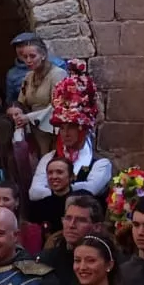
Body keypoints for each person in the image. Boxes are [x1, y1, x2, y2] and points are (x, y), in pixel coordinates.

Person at [27, 59, 111, 202]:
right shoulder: (48, 159)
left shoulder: (100, 163)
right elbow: (34, 192)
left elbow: (90, 189)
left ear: (83, 130)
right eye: (62, 127)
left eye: (72, 127)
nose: (65, 133)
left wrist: (56, 189)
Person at [10, 35, 67, 156]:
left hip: (50, 124)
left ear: (43, 55)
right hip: (31, 124)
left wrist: (29, 117)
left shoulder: (58, 74)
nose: (28, 60)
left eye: (32, 56)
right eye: (25, 57)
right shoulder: (28, 77)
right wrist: (17, 112)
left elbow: (58, 106)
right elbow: (21, 101)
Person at [28, 157, 73, 240]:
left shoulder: (80, 203)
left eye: (59, 172)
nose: (54, 176)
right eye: (50, 173)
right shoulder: (38, 207)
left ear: (71, 176)